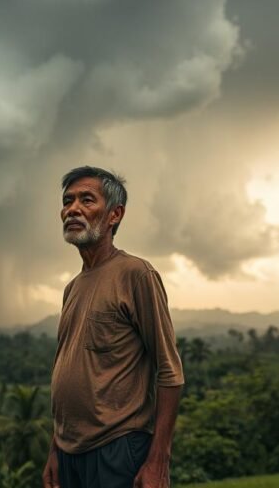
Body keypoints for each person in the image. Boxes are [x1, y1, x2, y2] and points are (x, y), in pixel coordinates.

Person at [43, 166, 184, 488]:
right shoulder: (73, 287)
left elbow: (170, 371)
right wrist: (55, 450)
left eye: (86, 200)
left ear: (114, 215)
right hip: (70, 453)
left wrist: (158, 460)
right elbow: (70, 371)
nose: (72, 209)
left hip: (118, 447)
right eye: (67, 201)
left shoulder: (136, 274)